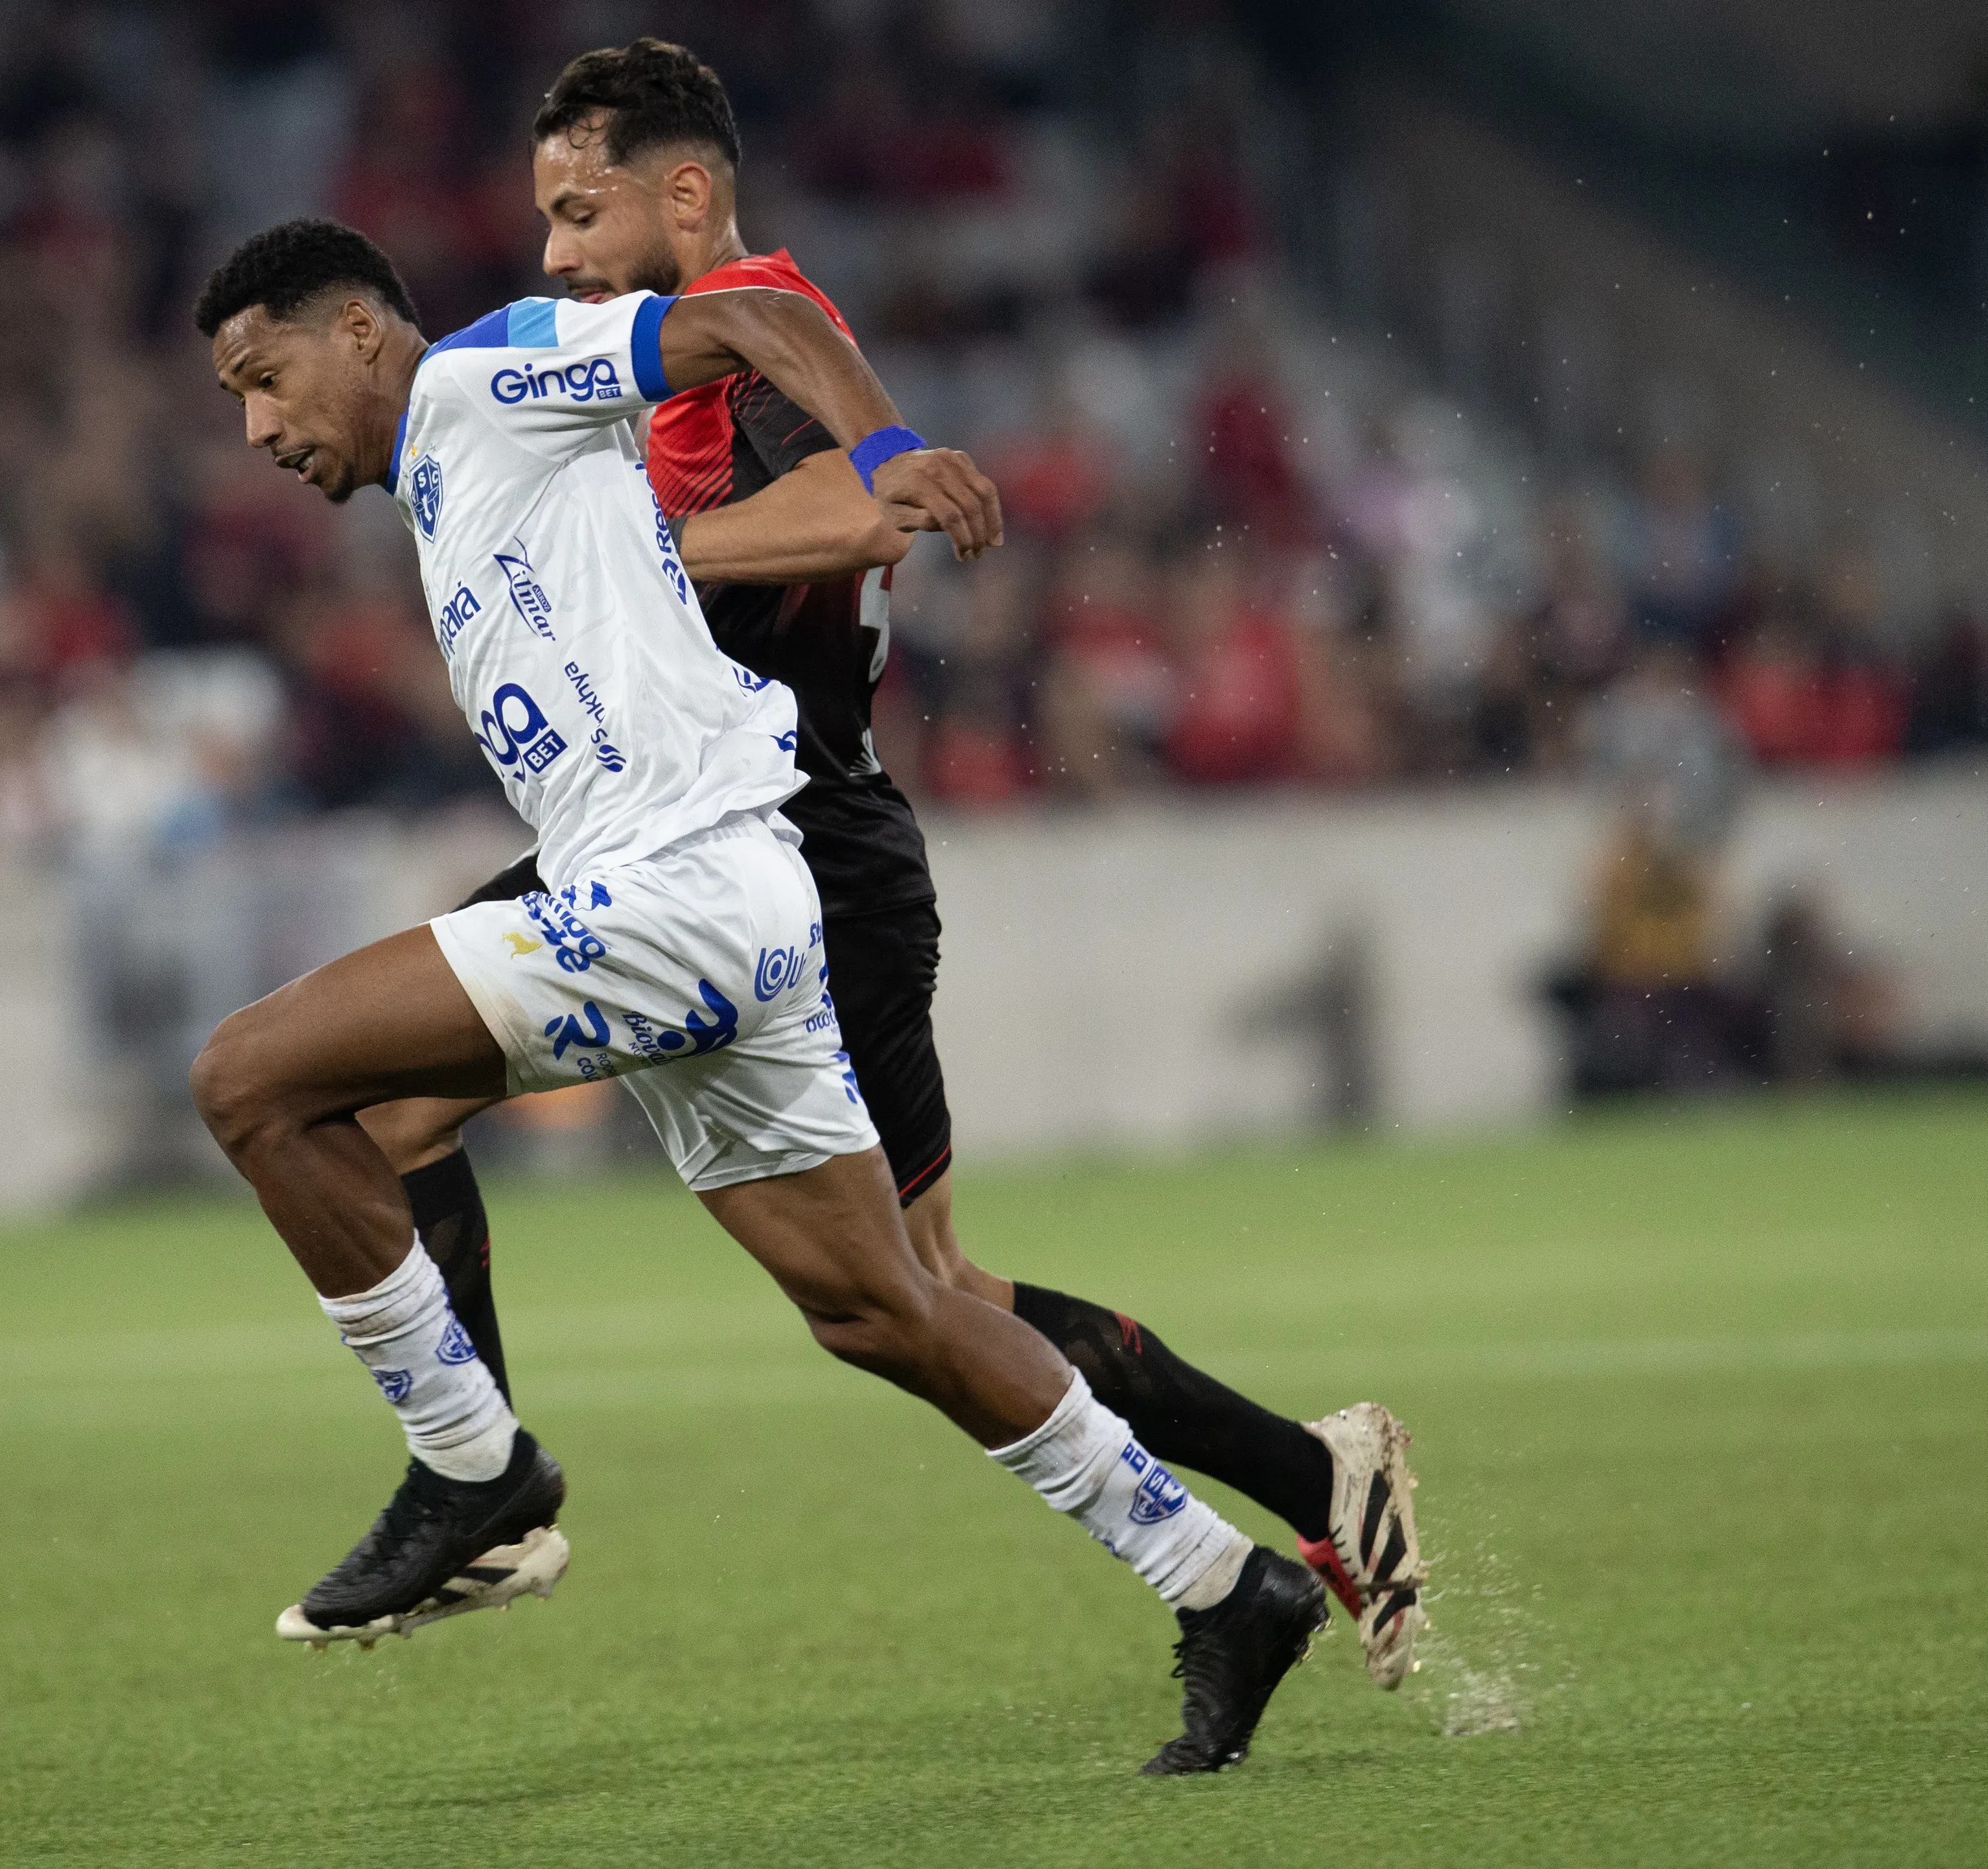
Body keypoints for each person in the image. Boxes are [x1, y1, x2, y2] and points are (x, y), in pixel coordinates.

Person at [357, 40, 1428, 1691]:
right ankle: (478, 1485)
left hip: (791, 843)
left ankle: (1296, 1494)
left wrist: (619, 557)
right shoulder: (645, 376)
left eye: (581, 216)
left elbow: (860, 512)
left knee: (918, 1300)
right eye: (547, 224)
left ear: (685, 193)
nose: (556, 257)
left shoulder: (764, 326)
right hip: (685, 840)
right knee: (417, 1115)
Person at [193, 213, 1326, 1774]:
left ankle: (469, 1469)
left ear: (360, 333)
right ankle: (1221, 1580)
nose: (256, 428)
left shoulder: (472, 378)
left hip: (672, 899)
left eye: (266, 377)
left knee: (253, 1077)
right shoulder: (457, 474)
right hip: (732, 904)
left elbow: (731, 320)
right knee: (884, 1308)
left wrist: (887, 449)